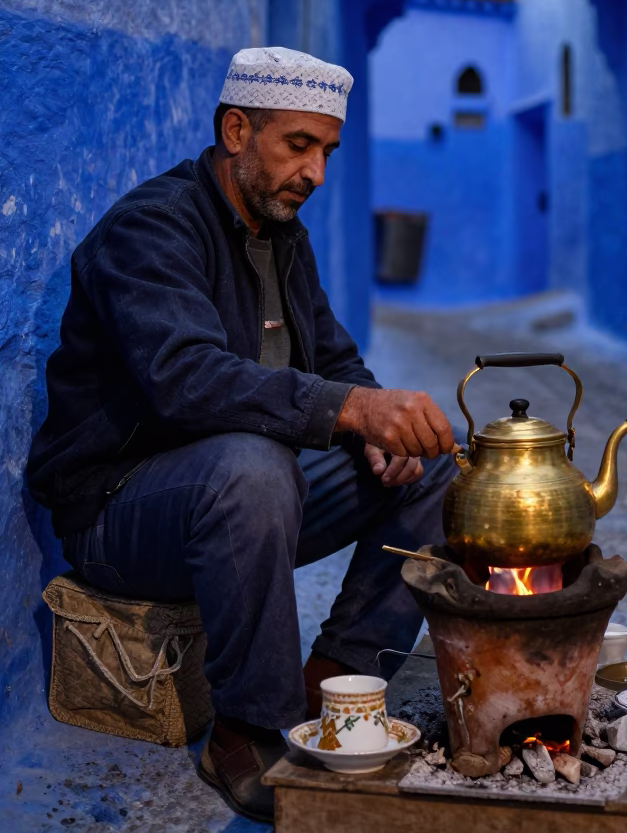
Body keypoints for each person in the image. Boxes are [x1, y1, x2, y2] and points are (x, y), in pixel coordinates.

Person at [26, 47, 458, 823]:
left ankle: (335, 687)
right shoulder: (150, 230)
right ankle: (246, 730)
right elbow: (185, 380)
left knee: (429, 463)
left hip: (245, 505)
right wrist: (350, 412)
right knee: (253, 466)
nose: (316, 172)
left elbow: (333, 359)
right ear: (236, 130)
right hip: (121, 514)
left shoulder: (283, 236)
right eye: (298, 145)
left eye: (327, 151)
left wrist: (378, 420)